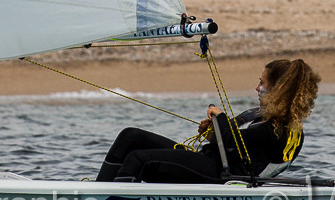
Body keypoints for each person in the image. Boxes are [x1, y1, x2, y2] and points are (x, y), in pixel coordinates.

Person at [96, 58, 319, 183]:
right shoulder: (264, 119)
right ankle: (98, 192)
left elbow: (232, 143)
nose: (257, 88)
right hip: (211, 162)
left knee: (138, 158)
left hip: (221, 177)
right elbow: (227, 141)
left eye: (262, 83)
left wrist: (220, 117)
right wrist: (211, 131)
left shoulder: (278, 129)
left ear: (279, 90)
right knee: (131, 136)